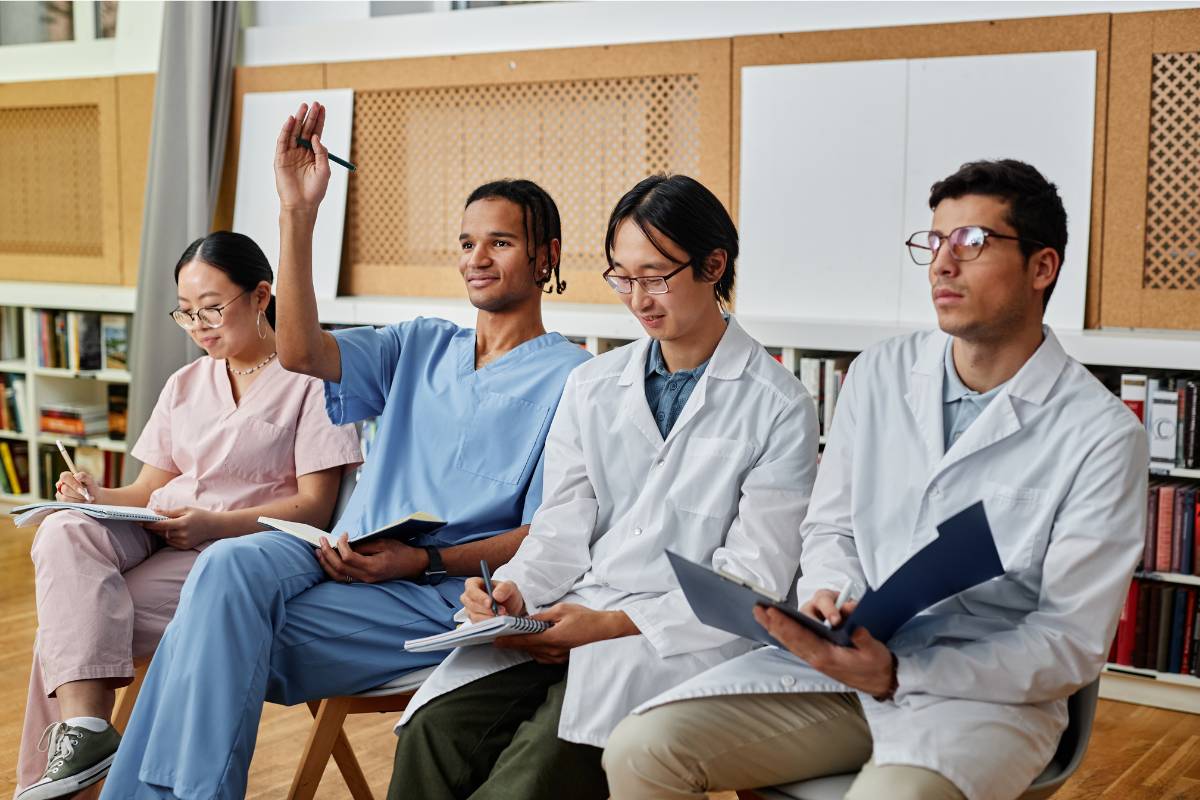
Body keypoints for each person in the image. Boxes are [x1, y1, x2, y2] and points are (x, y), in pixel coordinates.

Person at [602, 160, 1149, 800]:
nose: (942, 264)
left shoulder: (1102, 434)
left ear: (1042, 267)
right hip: (840, 667)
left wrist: (897, 673)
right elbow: (832, 528)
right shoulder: (878, 374)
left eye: (971, 242)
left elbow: (1069, 642)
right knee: (641, 751)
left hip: (981, 699)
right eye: (935, 241)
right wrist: (829, 597)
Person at [99, 101, 590, 800]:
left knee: (206, 635)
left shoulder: (576, 381)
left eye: (500, 243)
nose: (476, 259)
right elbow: (299, 352)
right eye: (466, 242)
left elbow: (545, 533)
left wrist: (419, 560)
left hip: (438, 594)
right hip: (335, 552)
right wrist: (297, 213)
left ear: (547, 256)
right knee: (227, 566)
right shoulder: (421, 343)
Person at [388, 174, 820, 800]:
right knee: (433, 731)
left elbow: (753, 579)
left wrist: (613, 623)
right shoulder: (592, 384)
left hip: (677, 639)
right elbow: (561, 524)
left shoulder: (779, 404)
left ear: (714, 265)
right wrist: (514, 591)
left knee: (537, 769)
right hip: (564, 616)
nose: (638, 299)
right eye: (622, 277)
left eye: (655, 276)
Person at [15, 231, 361, 800]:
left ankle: (68, 766)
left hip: (236, 550)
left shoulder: (311, 381)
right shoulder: (185, 383)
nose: (198, 326)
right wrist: (93, 494)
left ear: (261, 296)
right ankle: (86, 734)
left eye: (212, 309)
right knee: (64, 529)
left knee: (70, 627)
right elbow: (148, 488)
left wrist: (211, 524)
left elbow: (315, 507)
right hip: (162, 530)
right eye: (186, 312)